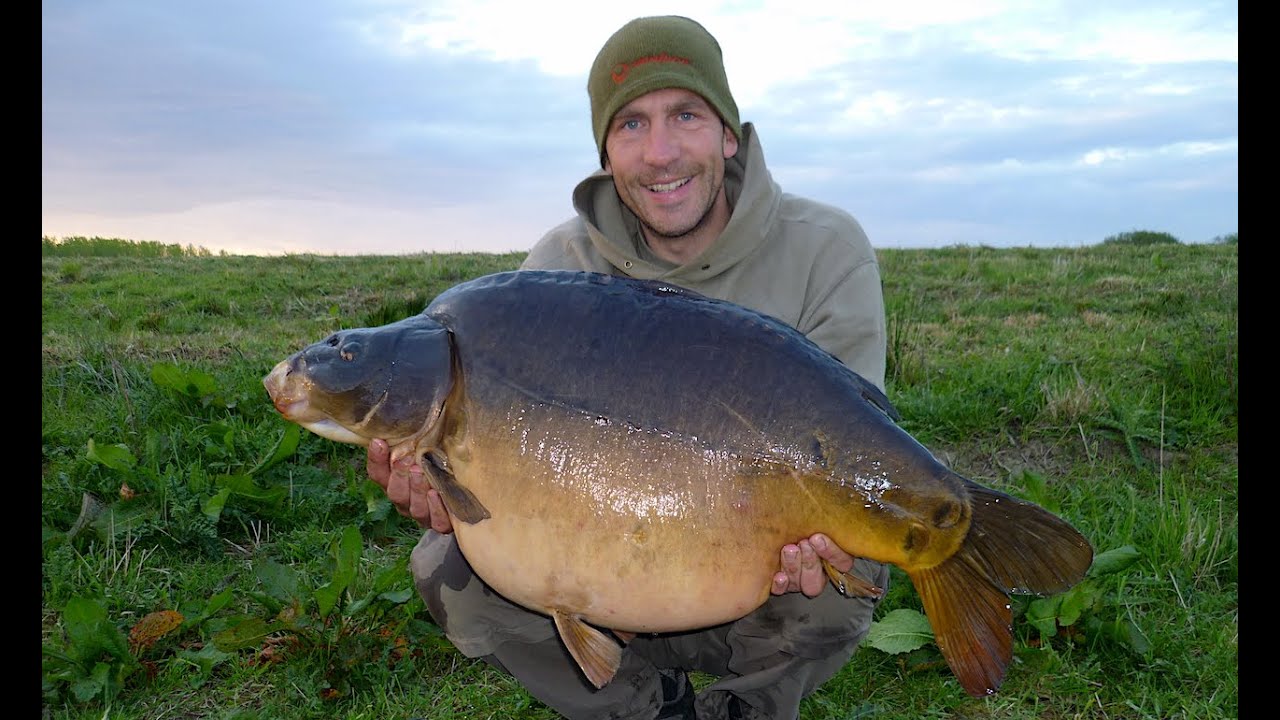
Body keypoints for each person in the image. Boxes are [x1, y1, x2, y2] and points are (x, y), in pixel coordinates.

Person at [369, 15, 890, 720]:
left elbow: (864, 443)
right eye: (631, 126)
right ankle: (642, 708)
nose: (661, 153)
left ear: (729, 133)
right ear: (606, 151)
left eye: (686, 115)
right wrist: (441, 488)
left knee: (856, 555)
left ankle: (751, 708)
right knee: (445, 561)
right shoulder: (553, 274)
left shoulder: (826, 249)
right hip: (602, 558)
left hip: (751, 562)